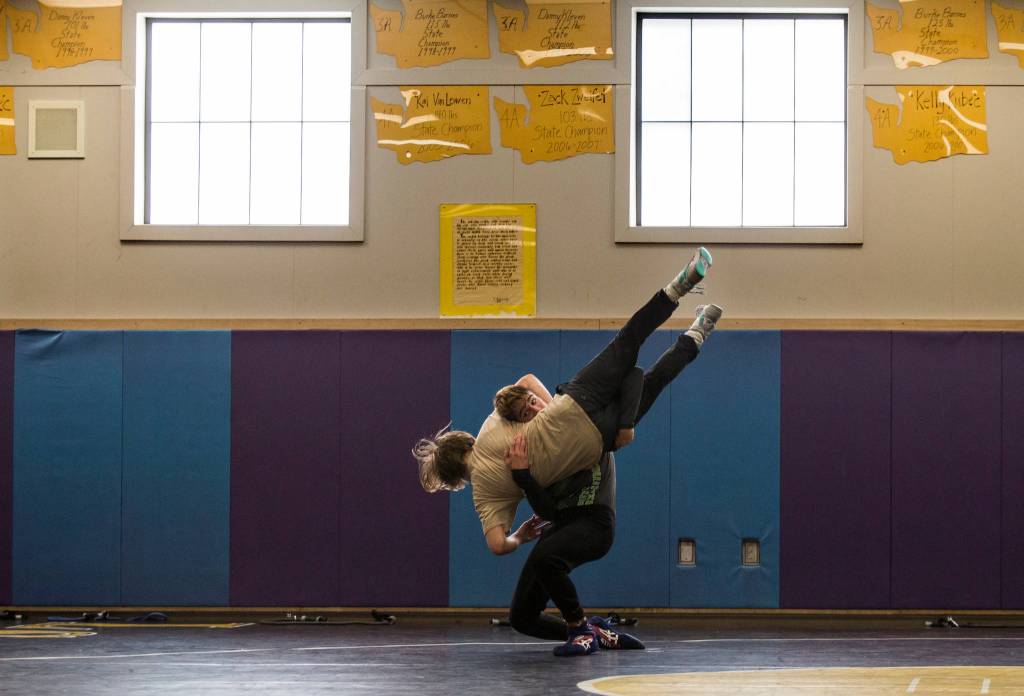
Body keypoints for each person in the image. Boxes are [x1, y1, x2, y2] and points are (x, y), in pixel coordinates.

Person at [412, 247, 722, 655]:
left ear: (456, 480)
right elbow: (524, 379)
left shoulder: (486, 496)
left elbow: (495, 545)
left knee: (653, 381)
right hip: (576, 400)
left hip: (599, 437)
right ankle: (681, 285)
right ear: (464, 439)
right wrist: (546, 404)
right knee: (629, 339)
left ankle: (698, 332)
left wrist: (520, 536)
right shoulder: (492, 424)